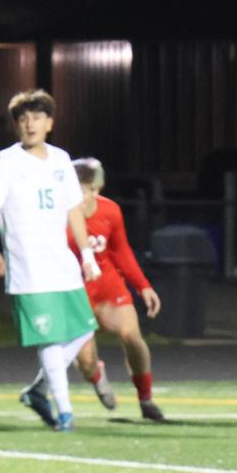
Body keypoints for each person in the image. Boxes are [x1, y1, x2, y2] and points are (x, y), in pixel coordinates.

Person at [0, 90, 102, 431]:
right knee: (49, 338)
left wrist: (86, 255)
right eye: (23, 118)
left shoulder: (62, 160)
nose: (30, 124)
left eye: (36, 117)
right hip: (27, 265)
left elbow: (73, 210)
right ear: (17, 125)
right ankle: (65, 412)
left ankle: (38, 391)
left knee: (83, 328)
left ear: (50, 123)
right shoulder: (5, 162)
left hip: (62, 263)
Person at [70, 158, 166, 422]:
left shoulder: (110, 211)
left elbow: (121, 250)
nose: (83, 194)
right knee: (86, 361)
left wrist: (143, 286)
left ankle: (146, 399)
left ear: (95, 188)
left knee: (131, 336)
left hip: (107, 285)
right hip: (75, 291)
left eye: (88, 187)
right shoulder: (59, 215)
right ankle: (97, 378)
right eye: (76, 187)